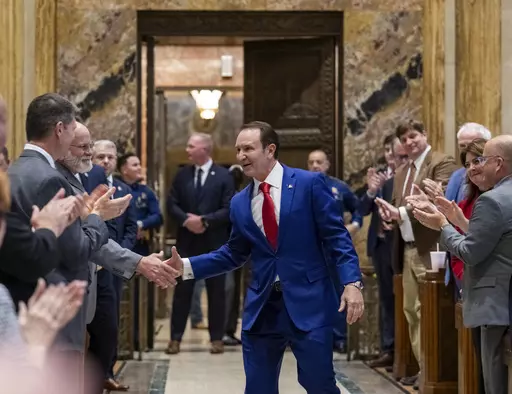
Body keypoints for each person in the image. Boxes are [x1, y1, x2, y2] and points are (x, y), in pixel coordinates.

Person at [167, 121, 364, 394]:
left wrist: (351, 283)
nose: (240, 156)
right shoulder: (239, 202)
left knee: (319, 385)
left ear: (270, 150)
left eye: (248, 148)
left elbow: (337, 238)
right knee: (258, 388)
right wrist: (187, 266)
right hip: (263, 308)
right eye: (238, 149)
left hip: (309, 304)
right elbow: (233, 253)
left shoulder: (309, 184)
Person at [410, 135, 512, 394]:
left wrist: (443, 226)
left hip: (495, 303)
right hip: (505, 300)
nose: (477, 166)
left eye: (483, 160)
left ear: (498, 163)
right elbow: (497, 240)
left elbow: (470, 253)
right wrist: (457, 218)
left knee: (494, 384)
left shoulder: (491, 200)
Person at [375, 120, 457, 388]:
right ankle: (424, 367)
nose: (409, 143)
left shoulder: (442, 162)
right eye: (404, 140)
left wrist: (399, 212)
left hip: (432, 246)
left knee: (431, 310)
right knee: (411, 309)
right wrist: (391, 216)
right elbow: (400, 208)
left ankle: (434, 371)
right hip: (407, 248)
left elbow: (437, 201)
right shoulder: (401, 172)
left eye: (413, 137)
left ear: (425, 134)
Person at [166, 133, 235, 355]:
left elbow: (228, 208)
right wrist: (187, 220)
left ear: (204, 149)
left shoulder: (224, 176)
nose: (187, 150)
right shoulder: (182, 174)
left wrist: (205, 221)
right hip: (187, 243)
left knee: (217, 293)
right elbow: (171, 203)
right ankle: (175, 338)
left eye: (191, 146)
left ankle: (217, 338)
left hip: (214, 243)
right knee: (182, 293)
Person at [90, 139, 137, 391]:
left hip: (114, 265)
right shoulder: (86, 186)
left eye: (110, 157)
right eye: (100, 157)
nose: (106, 161)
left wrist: (123, 252)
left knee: (110, 324)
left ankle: (107, 371)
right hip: (89, 263)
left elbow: (131, 226)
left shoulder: (122, 188)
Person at [307, 148, 363, 353]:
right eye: (311, 162)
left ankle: (338, 338)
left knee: (339, 292)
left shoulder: (339, 187)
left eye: (319, 162)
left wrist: (355, 226)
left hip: (334, 249)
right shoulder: (300, 187)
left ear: (327, 164)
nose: (315, 166)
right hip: (310, 250)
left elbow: (358, 209)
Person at [361, 134, 408, 369]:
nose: (392, 158)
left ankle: (399, 351)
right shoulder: (379, 177)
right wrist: (371, 191)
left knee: (399, 297)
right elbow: (362, 208)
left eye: (398, 155)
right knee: (385, 299)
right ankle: (387, 347)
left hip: (397, 245)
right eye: (389, 153)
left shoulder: (406, 176)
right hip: (379, 245)